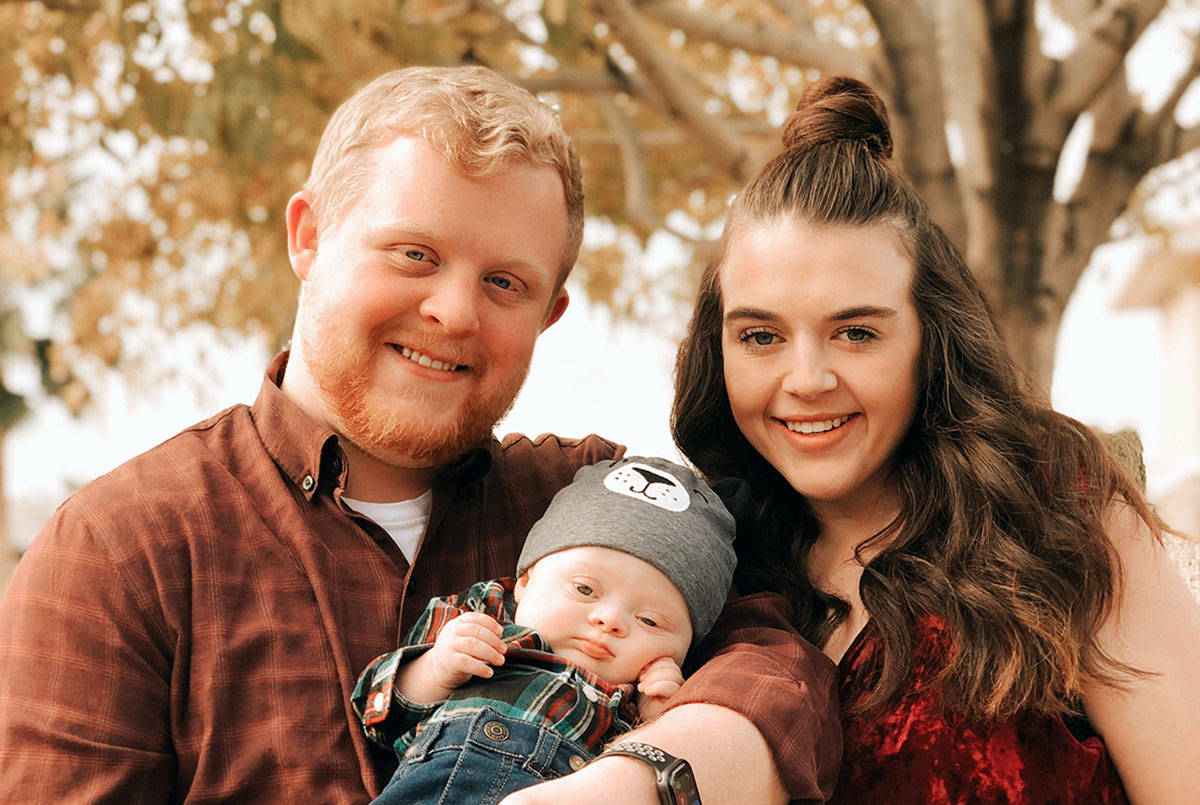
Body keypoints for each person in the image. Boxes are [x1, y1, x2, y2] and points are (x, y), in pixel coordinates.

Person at [0, 66, 840, 803]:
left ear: (550, 314)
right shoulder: (120, 552)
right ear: (309, 236)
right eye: (413, 254)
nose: (453, 312)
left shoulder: (597, 497)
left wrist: (637, 782)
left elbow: (779, 670)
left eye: (504, 282)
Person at [672, 75, 1200, 803]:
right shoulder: (703, 561)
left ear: (932, 337)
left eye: (855, 331)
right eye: (760, 335)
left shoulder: (1058, 516)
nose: (806, 378)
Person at [355, 456, 738, 804]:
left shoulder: (642, 696)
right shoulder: (480, 620)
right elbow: (378, 708)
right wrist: (436, 668)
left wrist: (661, 716)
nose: (610, 620)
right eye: (585, 589)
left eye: (650, 621)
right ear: (525, 580)